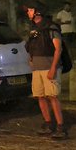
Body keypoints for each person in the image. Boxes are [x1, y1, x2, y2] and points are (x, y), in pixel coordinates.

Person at [25, 8, 66, 138]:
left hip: (49, 67)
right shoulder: (33, 29)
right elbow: (30, 47)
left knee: (52, 96)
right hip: (37, 69)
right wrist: (31, 60)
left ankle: (60, 127)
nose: (28, 13)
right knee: (40, 96)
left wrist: (53, 68)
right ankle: (48, 123)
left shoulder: (51, 28)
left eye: (30, 10)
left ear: (38, 12)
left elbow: (58, 49)